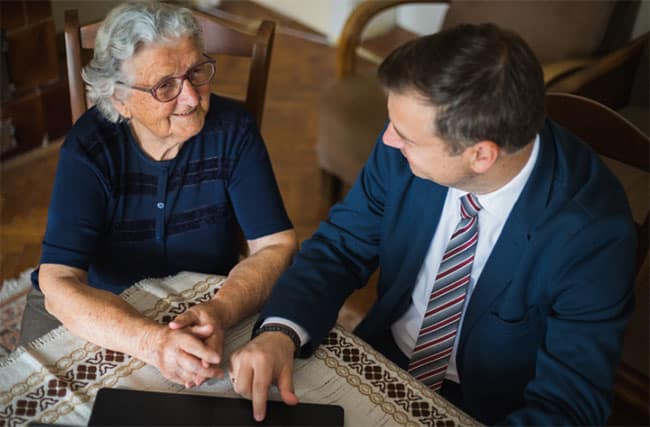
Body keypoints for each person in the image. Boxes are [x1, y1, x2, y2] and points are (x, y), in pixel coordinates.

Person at [227, 23, 637, 425]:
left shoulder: (593, 235)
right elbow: (340, 247)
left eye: (405, 135)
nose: (388, 140)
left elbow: (569, 406)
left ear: (481, 156)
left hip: (493, 409)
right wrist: (280, 332)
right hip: (381, 359)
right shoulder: (405, 149)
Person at [21, 2, 297, 389]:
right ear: (119, 99)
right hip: (105, 309)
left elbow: (276, 244)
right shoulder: (89, 148)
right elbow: (58, 280)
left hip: (206, 300)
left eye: (197, 71)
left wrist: (220, 309)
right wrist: (152, 342)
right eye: (165, 85)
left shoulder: (233, 130)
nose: (190, 97)